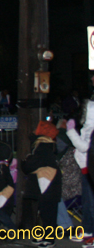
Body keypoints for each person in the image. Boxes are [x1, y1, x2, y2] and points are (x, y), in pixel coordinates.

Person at [22, 120, 61, 248]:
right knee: (45, 211)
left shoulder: (43, 146)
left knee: (48, 212)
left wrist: (26, 162)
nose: (34, 131)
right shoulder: (45, 145)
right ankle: (45, 236)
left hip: (47, 183)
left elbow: (32, 164)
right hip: (47, 183)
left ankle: (49, 239)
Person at [64, 100, 94, 242]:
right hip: (85, 168)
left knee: (91, 204)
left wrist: (71, 132)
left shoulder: (92, 128)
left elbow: (85, 147)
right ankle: (87, 231)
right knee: (87, 204)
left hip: (89, 169)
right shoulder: (89, 126)